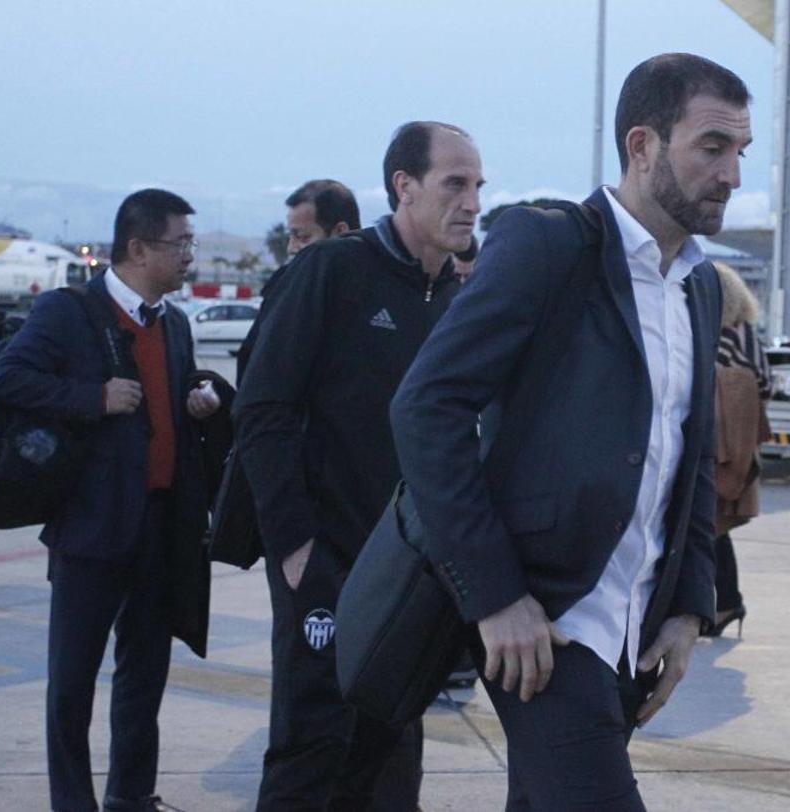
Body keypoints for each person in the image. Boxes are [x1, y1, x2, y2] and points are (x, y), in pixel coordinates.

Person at [390, 53, 751, 810]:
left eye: (740, 152)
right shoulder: (549, 245)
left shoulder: (700, 287)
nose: (732, 175)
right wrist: (495, 597)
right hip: (547, 626)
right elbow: (427, 406)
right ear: (642, 146)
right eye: (713, 148)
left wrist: (690, 606)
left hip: (633, 636)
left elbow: (687, 456)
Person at [234, 121, 481, 811]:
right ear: (404, 186)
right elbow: (262, 408)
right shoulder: (332, 271)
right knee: (313, 754)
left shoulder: (456, 299)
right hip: (329, 564)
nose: (471, 202)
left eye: (477, 186)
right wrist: (295, 549)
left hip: (412, 574)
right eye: (454, 184)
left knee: (392, 756)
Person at [0, 188, 222, 812]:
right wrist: (93, 397)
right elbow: (7, 379)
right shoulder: (70, 313)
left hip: (159, 526)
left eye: (192, 243)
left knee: (145, 677)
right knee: (72, 684)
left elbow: (168, 402)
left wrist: (197, 400)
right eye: (181, 244)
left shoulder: (173, 322)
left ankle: (131, 797)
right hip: (91, 529)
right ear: (138, 248)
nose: (189, 256)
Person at [236, 179, 361, 386]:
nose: (291, 248)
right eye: (291, 236)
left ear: (340, 231)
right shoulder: (285, 286)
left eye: (302, 237)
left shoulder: (381, 290)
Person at [706, 263, 770, 638]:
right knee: (715, 524)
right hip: (742, 445)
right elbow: (766, 384)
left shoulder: (719, 336)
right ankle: (727, 601)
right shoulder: (748, 334)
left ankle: (725, 601)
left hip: (716, 444)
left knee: (707, 524)